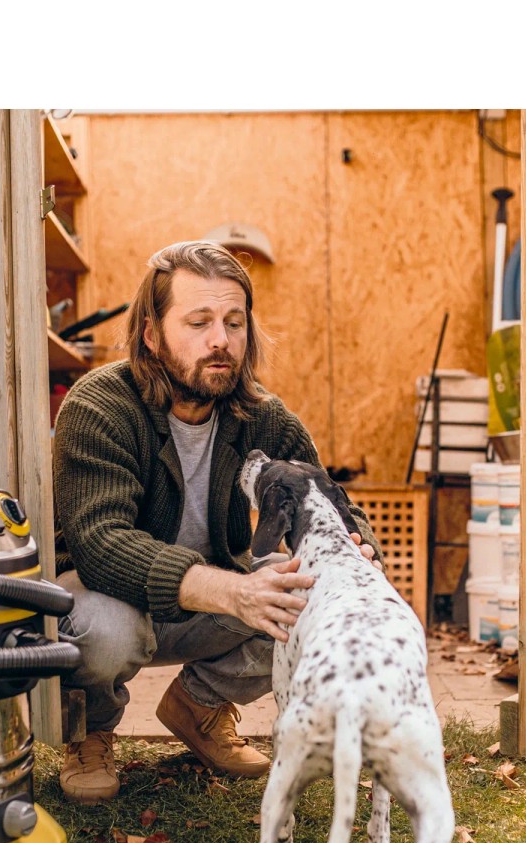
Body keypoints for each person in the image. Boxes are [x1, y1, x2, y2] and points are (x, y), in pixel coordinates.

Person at [51, 239, 383, 803]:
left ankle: (199, 706)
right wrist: (234, 591)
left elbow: (329, 502)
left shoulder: (262, 416)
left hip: (211, 607)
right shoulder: (99, 405)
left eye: (234, 322)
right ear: (152, 334)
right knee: (105, 630)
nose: (220, 340)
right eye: (198, 322)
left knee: (317, 591)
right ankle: (91, 729)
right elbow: (101, 544)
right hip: (109, 598)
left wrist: (357, 550)